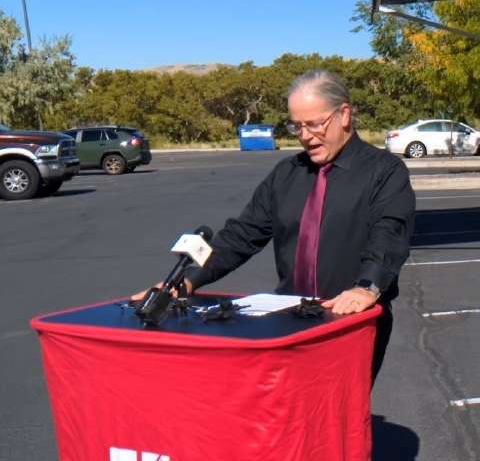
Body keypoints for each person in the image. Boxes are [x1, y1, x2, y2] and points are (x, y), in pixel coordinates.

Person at [135, 69, 416, 384]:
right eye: (296, 125)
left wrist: (367, 286)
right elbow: (241, 235)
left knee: (337, 419)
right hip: (291, 321)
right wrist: (184, 282)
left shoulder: (384, 172)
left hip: (350, 321)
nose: (305, 135)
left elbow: (389, 235)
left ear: (344, 114)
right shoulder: (286, 175)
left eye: (314, 124)